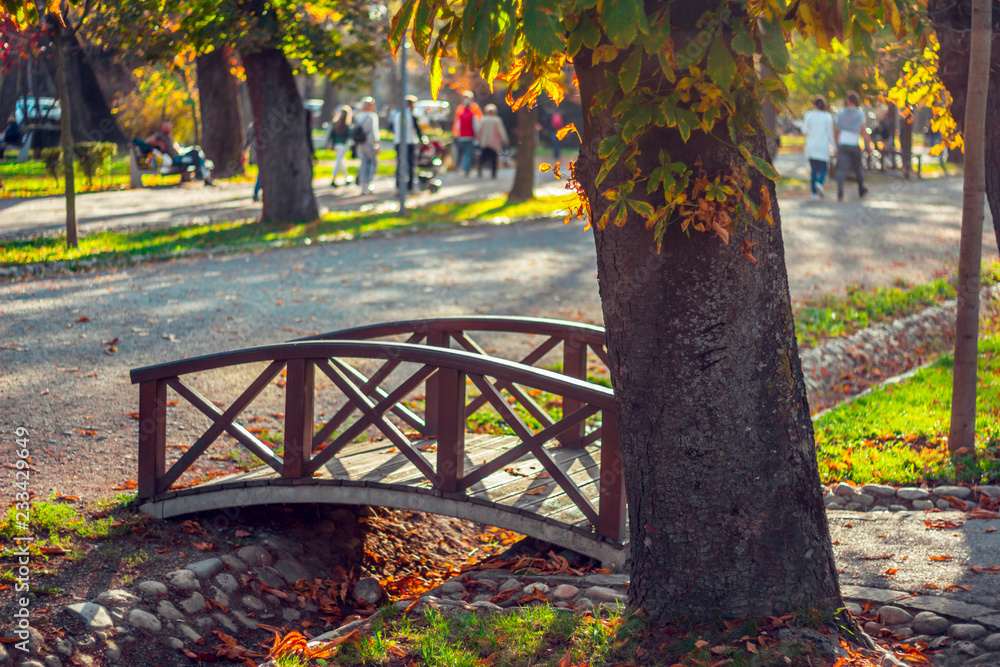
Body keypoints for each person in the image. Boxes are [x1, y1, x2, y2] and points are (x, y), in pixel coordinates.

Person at [145, 121, 213, 185]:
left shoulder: (169, 135)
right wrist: (159, 143)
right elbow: (147, 141)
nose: (167, 128)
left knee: (197, 152)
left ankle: (205, 176)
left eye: (168, 126)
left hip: (181, 154)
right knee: (197, 154)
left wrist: (178, 147)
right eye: (165, 126)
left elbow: (176, 146)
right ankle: (205, 176)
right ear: (162, 127)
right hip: (176, 159)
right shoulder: (159, 135)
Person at [835, 91, 872, 201]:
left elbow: (836, 130)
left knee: (842, 169)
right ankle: (861, 188)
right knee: (858, 168)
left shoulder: (840, 113)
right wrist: (868, 145)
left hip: (843, 142)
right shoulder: (860, 114)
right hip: (854, 142)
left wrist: (836, 144)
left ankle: (840, 190)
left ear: (847, 100)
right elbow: (863, 131)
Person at [802, 96, 836, 200]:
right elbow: (830, 134)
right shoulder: (828, 117)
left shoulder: (809, 115)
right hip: (823, 146)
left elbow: (804, 130)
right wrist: (834, 147)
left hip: (811, 146)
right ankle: (819, 182)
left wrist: (812, 132)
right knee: (823, 170)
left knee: (813, 171)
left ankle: (814, 194)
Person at [392, 96, 423, 192]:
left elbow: (391, 128)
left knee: (400, 164)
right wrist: (422, 139)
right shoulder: (411, 115)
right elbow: (417, 129)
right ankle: (410, 186)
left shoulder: (397, 115)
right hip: (409, 142)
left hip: (398, 142)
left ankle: (399, 185)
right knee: (411, 165)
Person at [354, 98, 380, 194]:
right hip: (369, 143)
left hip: (360, 143)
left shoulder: (359, 116)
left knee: (363, 163)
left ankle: (362, 185)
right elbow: (374, 132)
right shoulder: (372, 116)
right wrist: (377, 144)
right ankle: (368, 183)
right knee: (372, 163)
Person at [476, 104, 509, 179]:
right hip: (494, 143)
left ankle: (480, 169)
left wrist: (479, 139)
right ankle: (493, 173)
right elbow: (500, 131)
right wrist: (505, 140)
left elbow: (479, 131)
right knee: (493, 159)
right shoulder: (496, 119)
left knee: (483, 157)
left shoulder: (483, 119)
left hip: (485, 142)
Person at [453, 92, 480, 177]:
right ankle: (466, 169)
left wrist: (456, 134)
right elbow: (476, 124)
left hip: (461, 136)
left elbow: (457, 125)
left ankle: (463, 168)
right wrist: (478, 135)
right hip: (470, 136)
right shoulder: (473, 112)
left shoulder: (460, 112)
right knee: (468, 153)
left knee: (464, 153)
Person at [326, 105, 352, 187]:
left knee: (340, 161)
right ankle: (333, 178)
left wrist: (331, 144)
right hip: (342, 145)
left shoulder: (338, 124)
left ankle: (346, 178)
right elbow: (350, 136)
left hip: (338, 145)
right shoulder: (345, 126)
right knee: (339, 162)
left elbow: (331, 135)